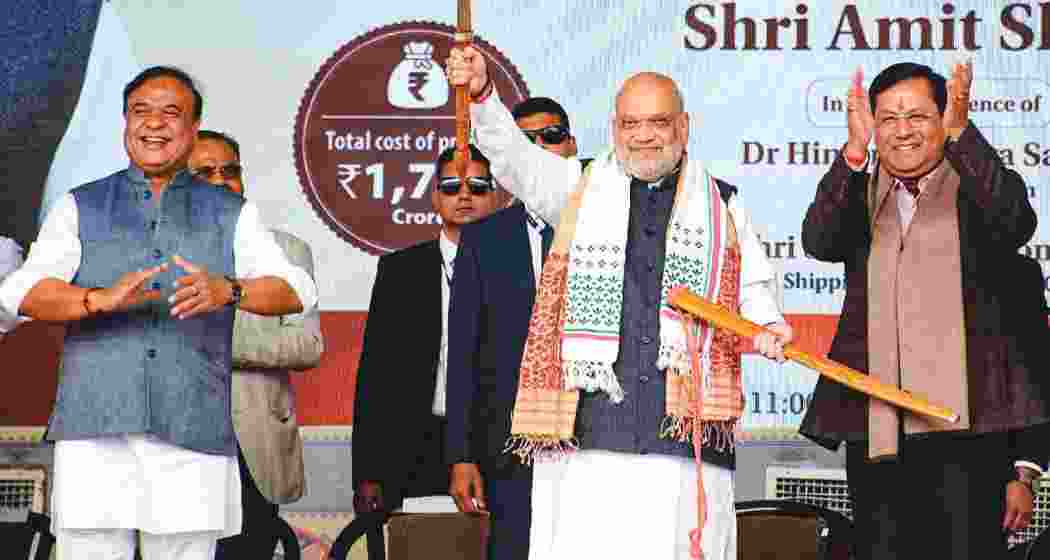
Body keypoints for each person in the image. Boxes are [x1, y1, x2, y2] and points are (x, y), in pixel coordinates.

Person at [448, 49, 791, 560]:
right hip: (586, 439)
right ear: (614, 127)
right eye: (631, 123)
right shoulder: (577, 187)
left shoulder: (722, 203)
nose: (644, 136)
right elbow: (516, 162)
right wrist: (481, 96)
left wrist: (767, 325)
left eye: (657, 122)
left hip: (682, 438)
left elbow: (755, 286)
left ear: (684, 126)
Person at [0, 66, 317, 560]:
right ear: (125, 123)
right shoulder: (80, 205)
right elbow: (18, 293)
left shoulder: (230, 212)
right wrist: (94, 300)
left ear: (192, 131)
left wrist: (229, 289)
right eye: (141, 112)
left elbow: (297, 288)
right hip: (94, 430)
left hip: (190, 428)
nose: (154, 124)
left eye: (171, 113)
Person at [798, 61, 1050, 559]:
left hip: (970, 437)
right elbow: (818, 240)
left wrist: (1025, 467)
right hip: (880, 433)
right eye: (888, 118)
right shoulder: (862, 194)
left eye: (917, 116)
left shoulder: (978, 195)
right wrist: (853, 151)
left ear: (942, 120)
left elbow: (1016, 221)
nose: (903, 131)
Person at [445, 96, 582, 560]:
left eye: (552, 137)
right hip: (509, 445)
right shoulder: (484, 237)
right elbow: (464, 351)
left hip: (594, 440)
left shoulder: (609, 226)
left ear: (573, 145)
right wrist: (461, 455)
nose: (540, 148)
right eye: (525, 141)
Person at [188, 130, 324, 559]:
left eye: (230, 171)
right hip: (170, 449)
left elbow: (307, 345)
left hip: (253, 449)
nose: (221, 180)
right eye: (204, 172)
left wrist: (213, 341)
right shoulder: (153, 252)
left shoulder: (286, 251)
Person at [352, 144, 498, 515]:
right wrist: (368, 471)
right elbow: (375, 376)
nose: (465, 195)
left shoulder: (515, 270)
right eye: (451, 186)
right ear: (435, 196)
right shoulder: (400, 271)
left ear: (495, 196)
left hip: (494, 443)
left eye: (478, 187)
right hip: (414, 443)